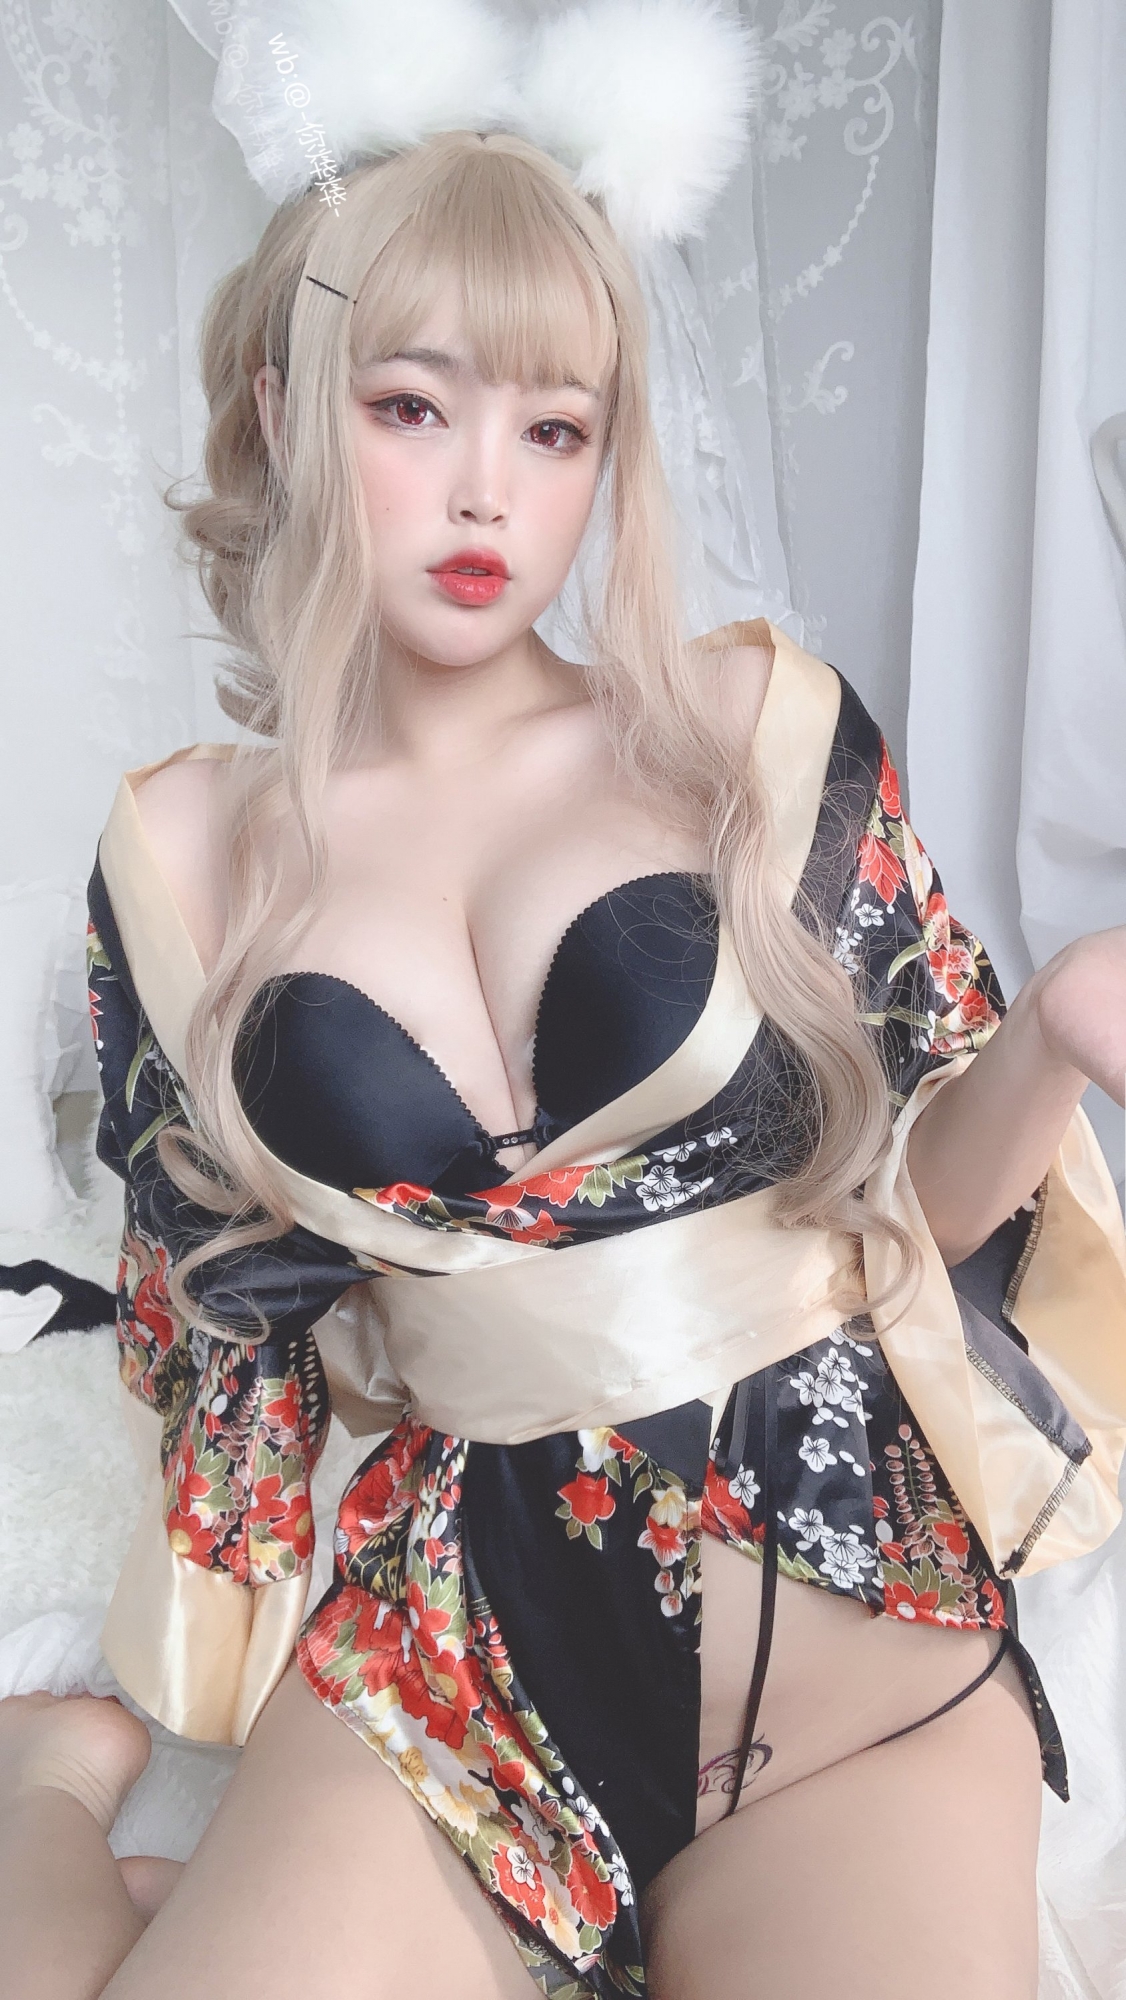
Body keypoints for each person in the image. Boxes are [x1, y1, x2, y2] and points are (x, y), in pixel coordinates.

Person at [1, 126, 1124, 2000]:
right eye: (411, 407)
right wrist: (228, 1632)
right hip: (465, 1659)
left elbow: (911, 1219)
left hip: (850, 1656)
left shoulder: (742, 734)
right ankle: (43, 1790)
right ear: (281, 410)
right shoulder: (184, 855)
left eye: (553, 429)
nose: (485, 494)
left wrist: (1054, 1036)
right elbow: (217, 1312)